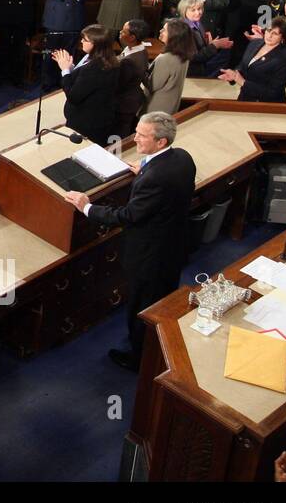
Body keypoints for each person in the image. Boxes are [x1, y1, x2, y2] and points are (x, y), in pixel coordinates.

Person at [65, 111, 196, 370]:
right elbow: (166, 185)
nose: (135, 138)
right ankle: (156, 344)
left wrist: (87, 207)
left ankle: (139, 359)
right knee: (162, 301)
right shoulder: (182, 158)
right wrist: (146, 170)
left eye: (141, 135)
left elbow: (127, 215)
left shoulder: (156, 177)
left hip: (150, 256)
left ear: (161, 142)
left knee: (142, 306)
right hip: (174, 246)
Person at [52, 24, 120, 146]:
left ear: (96, 44)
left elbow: (74, 96)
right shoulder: (103, 58)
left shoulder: (95, 67)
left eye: (85, 39)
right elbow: (86, 82)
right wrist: (71, 68)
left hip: (87, 123)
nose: (82, 41)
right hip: (94, 118)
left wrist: (65, 70)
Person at [220, 15, 286, 102]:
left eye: (275, 34)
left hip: (267, 105)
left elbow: (273, 93)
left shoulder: (284, 59)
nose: (269, 36)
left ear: (283, 38)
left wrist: (243, 82)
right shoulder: (254, 43)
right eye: (269, 31)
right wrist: (234, 75)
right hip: (245, 98)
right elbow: (243, 65)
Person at [145, 18, 194, 115]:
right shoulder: (184, 55)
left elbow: (152, 85)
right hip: (171, 107)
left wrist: (141, 69)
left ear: (173, 35)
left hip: (155, 109)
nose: (160, 31)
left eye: (164, 30)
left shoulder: (165, 58)